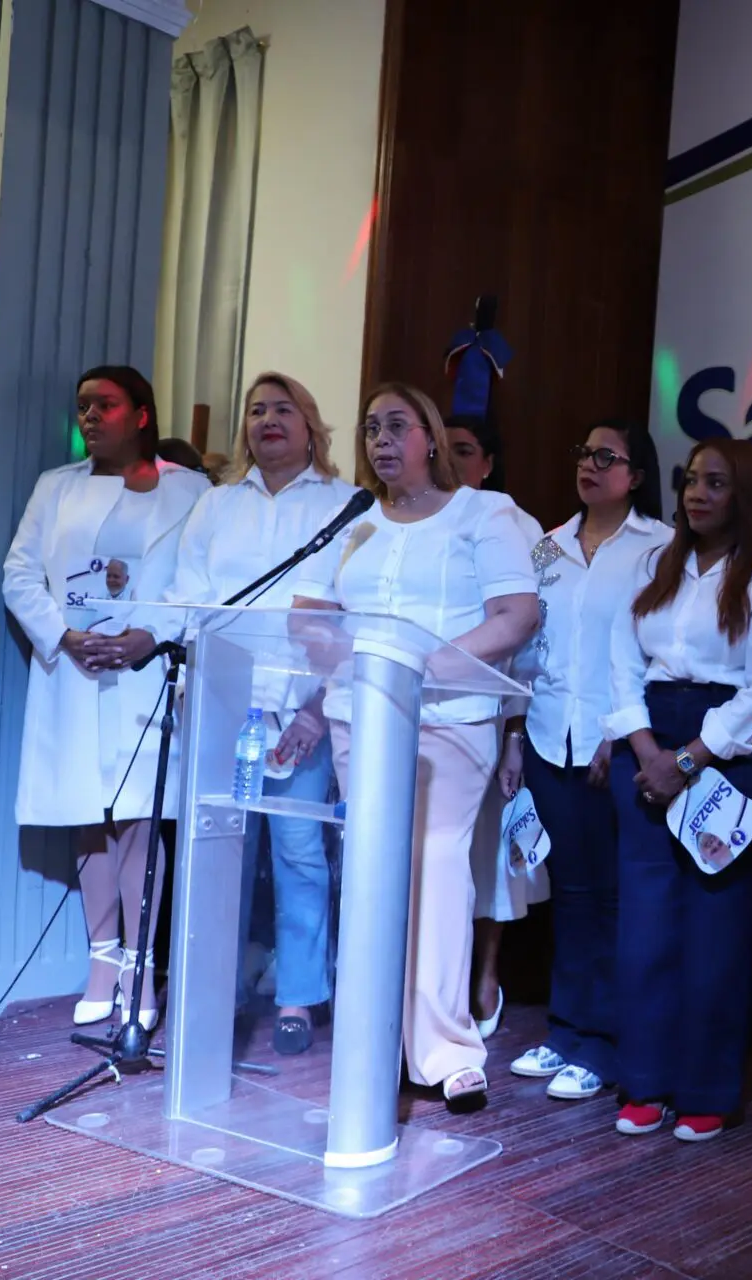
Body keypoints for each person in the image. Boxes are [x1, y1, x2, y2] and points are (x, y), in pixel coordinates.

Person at [291, 383, 538, 1107]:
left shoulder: (483, 513)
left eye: (397, 426)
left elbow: (516, 615)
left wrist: (421, 667)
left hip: (450, 719)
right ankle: (378, 1040)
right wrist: (350, 658)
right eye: (371, 428)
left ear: (430, 436)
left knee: (434, 864)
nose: (381, 440)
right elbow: (305, 618)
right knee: (373, 869)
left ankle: (447, 1048)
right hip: (360, 717)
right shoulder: (354, 520)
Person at [605, 437, 752, 1142]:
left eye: (716, 483)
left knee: (714, 932)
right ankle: (644, 1081)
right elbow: (620, 664)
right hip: (647, 744)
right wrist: (646, 749)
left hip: (732, 752)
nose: (697, 493)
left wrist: (686, 761)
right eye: (691, 480)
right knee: (645, 926)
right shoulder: (651, 564)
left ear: (744, 494)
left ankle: (705, 1092)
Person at [3, 366, 211, 1033]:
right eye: (83, 406)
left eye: (106, 405)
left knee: (140, 815)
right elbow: (19, 573)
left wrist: (148, 635)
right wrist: (63, 636)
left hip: (145, 669)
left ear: (142, 414)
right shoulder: (55, 486)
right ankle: (102, 960)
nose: (90, 416)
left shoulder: (191, 491)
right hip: (75, 668)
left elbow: (199, 581)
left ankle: (140, 966)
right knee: (85, 812)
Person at [169, 372, 359, 1056]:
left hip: (303, 713)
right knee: (221, 850)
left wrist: (316, 710)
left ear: (311, 427)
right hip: (222, 706)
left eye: (284, 409)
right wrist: (201, 688)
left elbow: (352, 620)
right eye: (257, 410)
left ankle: (298, 995)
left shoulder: (345, 505)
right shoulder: (216, 504)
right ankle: (213, 988)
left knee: (299, 852)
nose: (268, 420)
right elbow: (189, 599)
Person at [497, 420, 671, 1102]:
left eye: (607, 456)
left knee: (611, 898)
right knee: (569, 894)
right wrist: (515, 735)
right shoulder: (547, 547)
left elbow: (656, 652)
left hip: (615, 743)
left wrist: (621, 732)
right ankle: (567, 1031)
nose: (590, 465)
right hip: (549, 737)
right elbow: (525, 653)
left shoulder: (659, 547)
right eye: (584, 453)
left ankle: (606, 1042)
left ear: (637, 475)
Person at [446, 411, 545, 1038]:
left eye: (464, 450)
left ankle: (485, 973)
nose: (451, 460)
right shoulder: (412, 518)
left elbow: (527, 643)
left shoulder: (518, 527)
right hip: (424, 716)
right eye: (443, 447)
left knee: (489, 856)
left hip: (493, 715)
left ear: (487, 463)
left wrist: (514, 733)